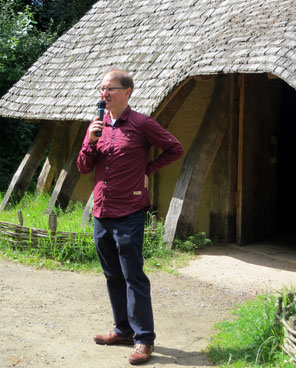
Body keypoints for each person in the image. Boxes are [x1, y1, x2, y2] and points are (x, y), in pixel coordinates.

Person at [77, 69, 184, 365]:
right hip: (102, 212)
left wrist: (146, 170)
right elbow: (84, 167)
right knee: (112, 275)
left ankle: (144, 339)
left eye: (110, 88)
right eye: (102, 89)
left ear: (127, 92)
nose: (104, 94)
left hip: (129, 213)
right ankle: (122, 330)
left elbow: (175, 148)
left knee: (133, 275)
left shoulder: (141, 124)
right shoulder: (97, 125)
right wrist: (90, 139)